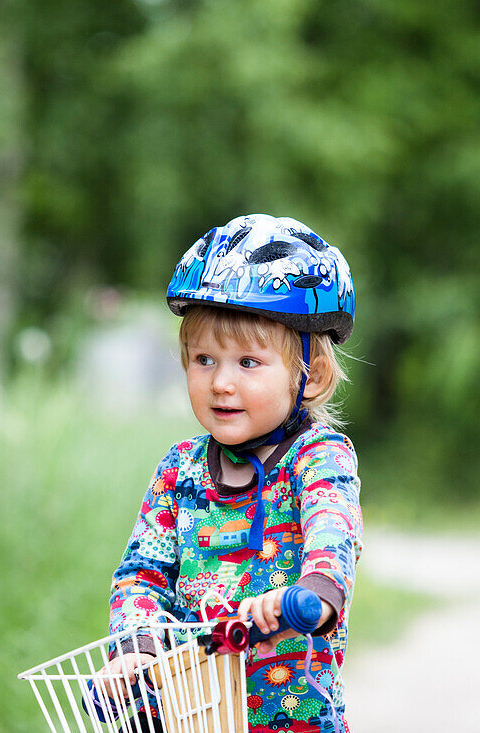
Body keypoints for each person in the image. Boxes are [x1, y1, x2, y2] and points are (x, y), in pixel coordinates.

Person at [104, 213, 363, 733]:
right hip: (191, 712)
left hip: (293, 716)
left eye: (248, 362)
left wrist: (311, 594)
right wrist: (136, 645)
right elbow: (144, 572)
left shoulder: (317, 458)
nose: (221, 382)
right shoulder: (179, 470)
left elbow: (333, 531)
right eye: (203, 359)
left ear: (309, 376)